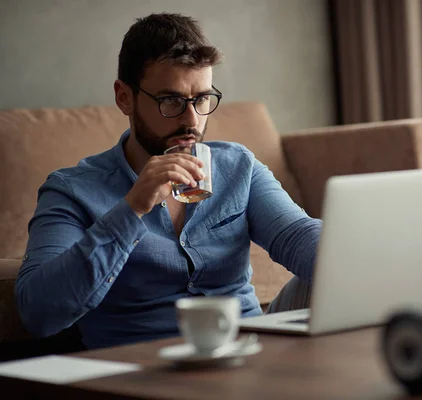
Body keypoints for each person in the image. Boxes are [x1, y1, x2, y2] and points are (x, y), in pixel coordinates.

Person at [15, 13, 322, 350]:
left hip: (248, 347)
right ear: (124, 97)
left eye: (202, 99)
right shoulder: (72, 191)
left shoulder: (238, 166)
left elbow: (296, 236)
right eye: (170, 101)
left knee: (331, 271)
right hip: (144, 364)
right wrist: (131, 209)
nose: (191, 119)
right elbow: (38, 311)